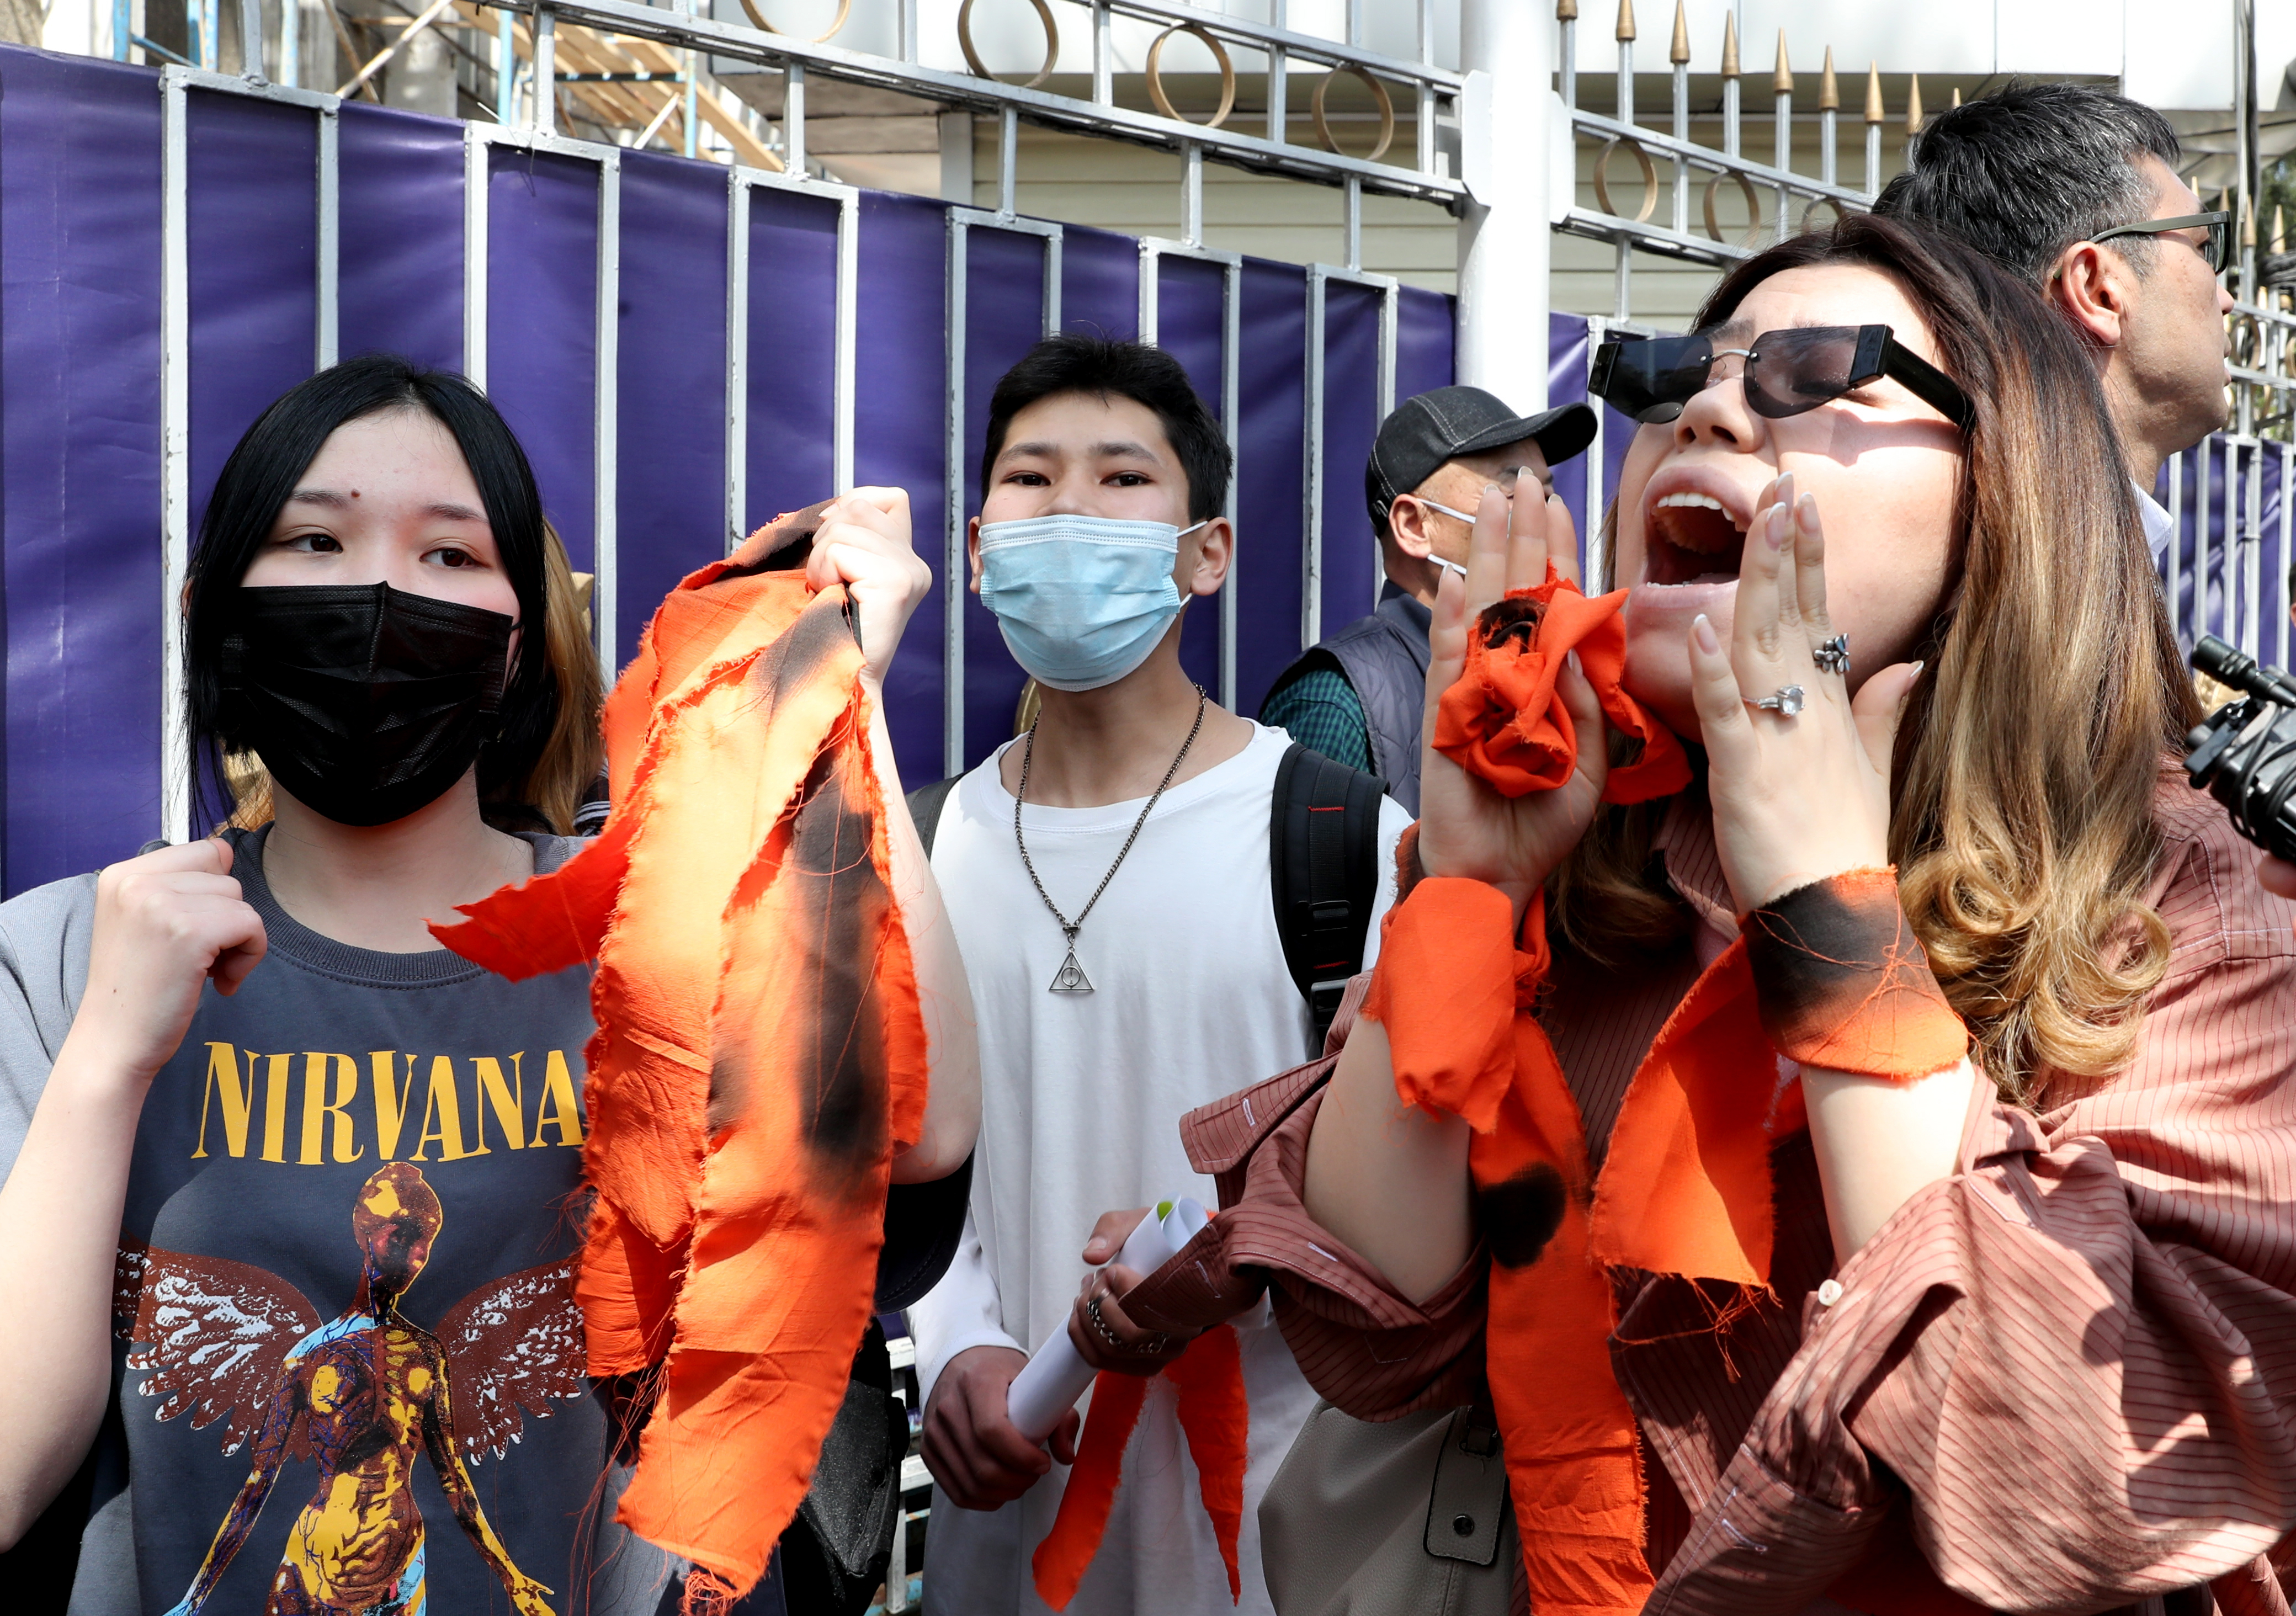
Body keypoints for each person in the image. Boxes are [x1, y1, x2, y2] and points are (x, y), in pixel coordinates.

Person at [1107, 214, 2296, 1613]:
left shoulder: (2183, 900)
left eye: (1811, 375)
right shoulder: (1591, 856)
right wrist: (1465, 892)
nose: (1711, 411)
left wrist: (1823, 892)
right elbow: (1376, 1305)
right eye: (1683, 384)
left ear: (2010, 487)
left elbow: (2056, 1456)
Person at [0, 354, 979, 1615]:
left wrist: (833, 689)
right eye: (315, 538)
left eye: (451, 555)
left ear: (522, 634)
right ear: (215, 609)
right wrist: (103, 1064)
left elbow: (921, 1125)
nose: (380, 589)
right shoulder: (71, 957)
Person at [907, 334, 1410, 1616]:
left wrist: (1239, 1241)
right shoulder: (917, 848)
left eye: (1122, 477)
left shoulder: (1351, 842)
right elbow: (910, 1164)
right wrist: (958, 1343)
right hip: (996, 1557)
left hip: (1287, 1561)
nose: (1069, 507)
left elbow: (1422, 1204)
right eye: (1031, 479)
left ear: (1208, 552)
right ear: (976, 549)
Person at [1874, 81, 2234, 558]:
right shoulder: (2030, 588)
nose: (2227, 298)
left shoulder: (1986, 551)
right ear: (2098, 291)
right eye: (2203, 247)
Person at [1259, 387, 1593, 814]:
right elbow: (1304, 876)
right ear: (1415, 526)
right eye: (1515, 497)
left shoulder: (1562, 672)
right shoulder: (1337, 698)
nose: (1540, 519)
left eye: (1546, 498)